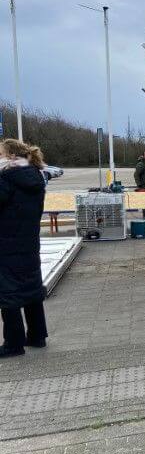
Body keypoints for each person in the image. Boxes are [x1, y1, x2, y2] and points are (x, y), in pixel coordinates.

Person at [0, 139, 49, 358]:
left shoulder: (6, 178)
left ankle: (13, 343)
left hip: (6, 242)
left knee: (8, 293)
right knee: (31, 288)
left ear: (10, 156)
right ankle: (37, 335)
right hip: (29, 241)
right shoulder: (36, 176)